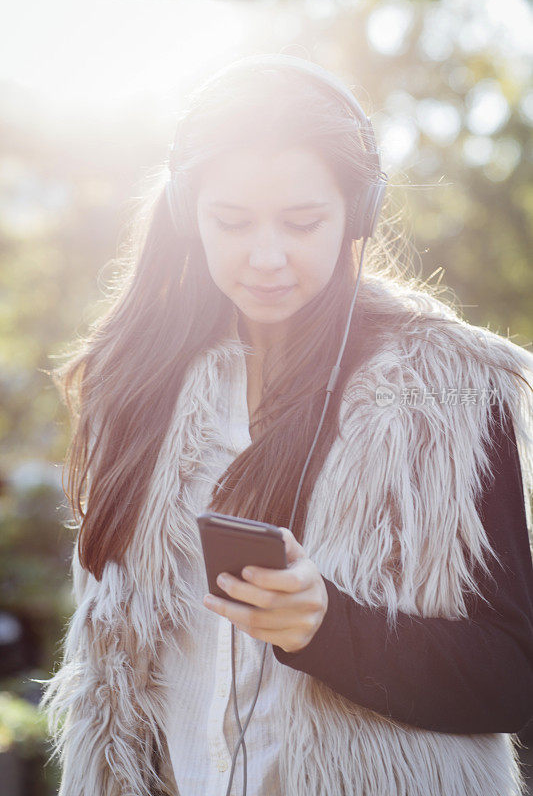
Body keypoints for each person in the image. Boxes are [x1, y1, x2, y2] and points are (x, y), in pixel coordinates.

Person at [37, 54, 533, 796]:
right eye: (230, 222)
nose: (265, 257)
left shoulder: (455, 392)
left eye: (302, 222)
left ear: (357, 212)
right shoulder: (136, 385)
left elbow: (511, 676)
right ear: (185, 212)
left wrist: (328, 630)